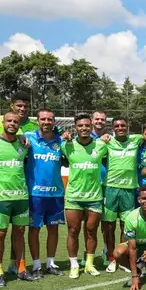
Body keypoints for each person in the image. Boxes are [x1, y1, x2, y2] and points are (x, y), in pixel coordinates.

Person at [0, 111, 36, 287]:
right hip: (0, 196)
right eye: (9, 121)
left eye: (15, 121)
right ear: (3, 123)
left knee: (20, 232)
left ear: (19, 124)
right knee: (0, 233)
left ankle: (21, 269)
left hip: (21, 196)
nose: (12, 123)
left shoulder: (25, 145)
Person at [60, 113, 107, 279]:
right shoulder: (67, 145)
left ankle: (89, 264)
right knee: (73, 230)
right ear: (75, 127)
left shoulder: (101, 145)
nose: (84, 128)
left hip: (94, 197)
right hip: (73, 196)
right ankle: (74, 265)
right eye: (80, 126)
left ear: (91, 125)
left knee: (91, 231)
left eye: (87, 125)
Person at [25, 108, 65, 277]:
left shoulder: (61, 142)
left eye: (50, 119)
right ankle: (36, 265)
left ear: (54, 122)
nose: (47, 122)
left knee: (53, 230)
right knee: (34, 229)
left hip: (56, 194)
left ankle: (51, 263)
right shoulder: (28, 138)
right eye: (43, 119)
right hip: (35, 193)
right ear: (37, 120)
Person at [101, 117, 144, 270]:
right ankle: (111, 257)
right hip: (110, 188)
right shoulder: (107, 142)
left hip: (129, 189)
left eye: (123, 125)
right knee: (110, 226)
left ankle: (122, 256)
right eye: (116, 126)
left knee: (126, 225)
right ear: (112, 128)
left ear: (127, 127)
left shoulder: (136, 140)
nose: (120, 128)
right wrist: (102, 137)